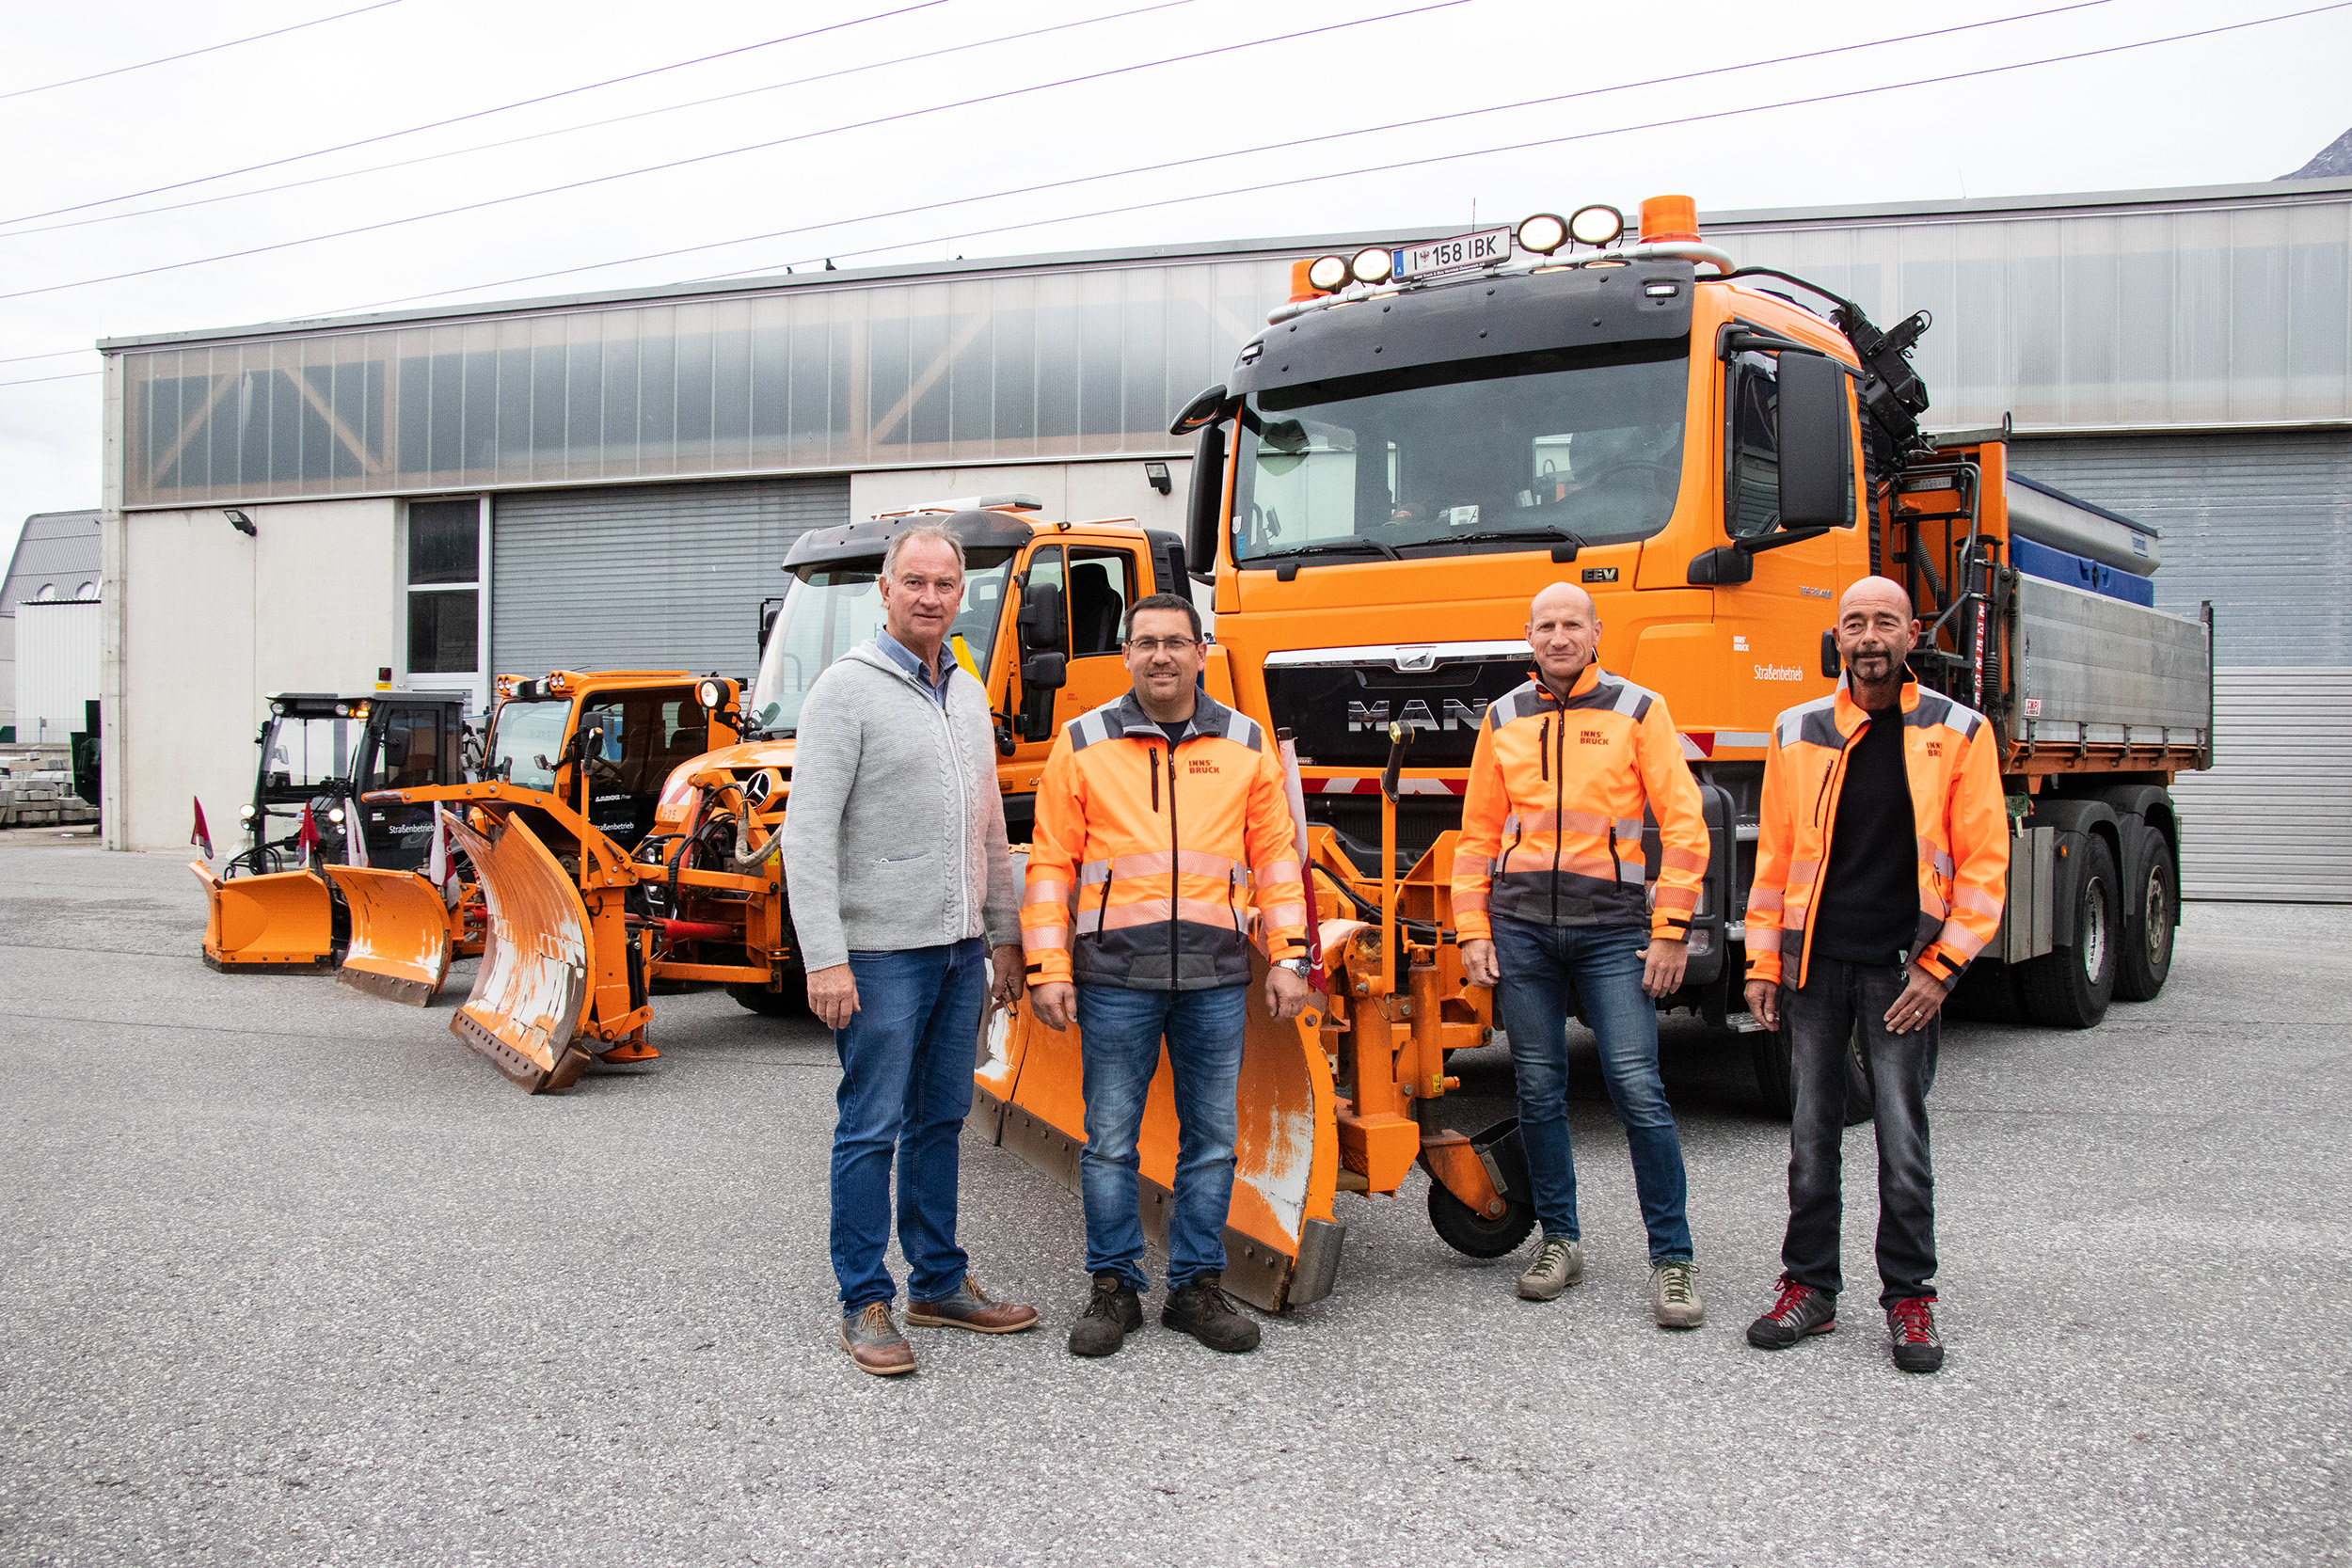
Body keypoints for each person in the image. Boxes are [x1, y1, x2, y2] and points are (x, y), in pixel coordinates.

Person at [1022, 593, 1313, 1358]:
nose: (1161, 656)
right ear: (1125, 654)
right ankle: (1113, 1287)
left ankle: (1195, 1287)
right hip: (1114, 977)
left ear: (1200, 650)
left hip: (1217, 977)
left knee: (1213, 1140)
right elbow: (1052, 863)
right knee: (1111, 1140)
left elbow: (1277, 859)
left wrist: (1288, 955)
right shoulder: (1081, 741)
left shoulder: (1246, 743)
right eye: (1146, 642)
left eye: (1175, 642)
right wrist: (1048, 966)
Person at [781, 521, 1037, 1376]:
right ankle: (865, 1294)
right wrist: (825, 956)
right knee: (871, 1125)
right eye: (914, 582)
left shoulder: (964, 691)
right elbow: (805, 836)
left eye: (945, 584)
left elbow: (991, 827)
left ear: (961, 596)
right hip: (883, 955)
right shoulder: (843, 693)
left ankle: (938, 1280)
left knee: (940, 1121)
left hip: (962, 952)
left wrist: (1005, 935)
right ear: (884, 591)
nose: (930, 597)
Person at [1741, 576, 2007, 1374]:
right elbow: (1775, 858)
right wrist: (1762, 960)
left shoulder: (1960, 731)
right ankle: (1810, 1286)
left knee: (1901, 1136)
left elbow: (1985, 868)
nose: (1869, 636)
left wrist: (1941, 969)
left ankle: (1910, 1297)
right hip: (1814, 969)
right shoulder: (1797, 728)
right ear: (1837, 634)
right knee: (1811, 1137)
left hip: (1903, 972)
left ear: (1912, 632)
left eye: (1884, 622)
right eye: (1854, 622)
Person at [1452, 582, 1710, 1328]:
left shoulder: (1637, 710)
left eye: (1573, 624)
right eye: (1546, 625)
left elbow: (1685, 828)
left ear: (1597, 632)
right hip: (1523, 931)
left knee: (1638, 1086)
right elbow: (1476, 837)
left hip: (1610, 932)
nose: (1559, 636)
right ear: (1527, 635)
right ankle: (1559, 1240)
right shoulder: (1503, 717)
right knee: (1538, 1089)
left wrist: (1669, 931)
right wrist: (1474, 930)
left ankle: (1673, 1258)